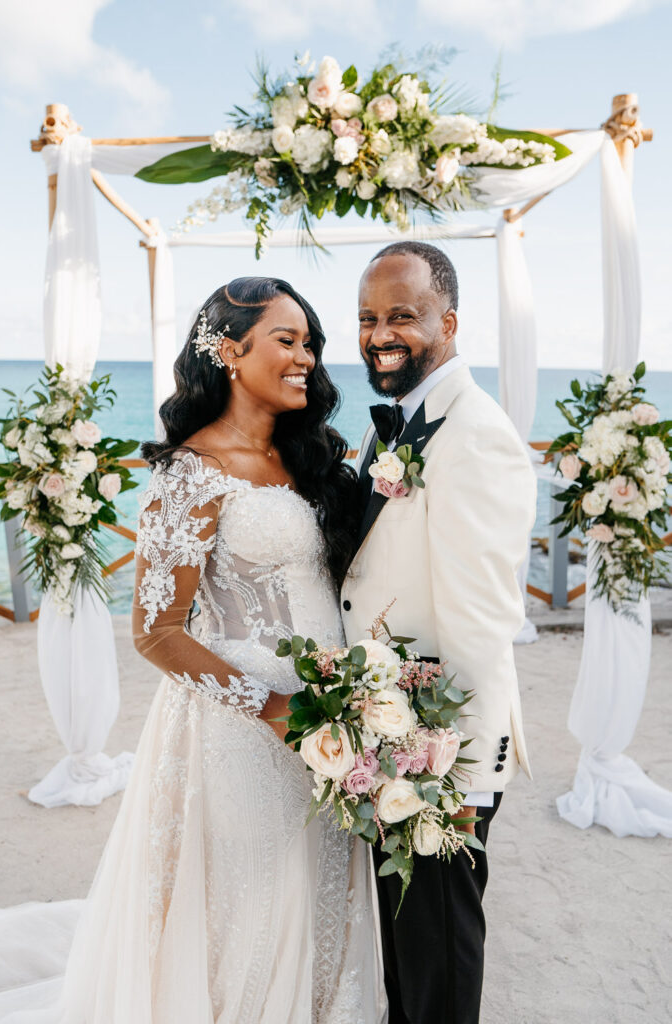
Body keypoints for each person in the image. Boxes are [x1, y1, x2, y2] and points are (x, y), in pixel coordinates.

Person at [0, 277, 385, 1024]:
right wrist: (277, 711)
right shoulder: (191, 472)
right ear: (230, 351)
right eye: (287, 340)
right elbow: (155, 630)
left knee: (321, 888)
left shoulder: (307, 459)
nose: (307, 358)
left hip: (334, 718)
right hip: (242, 729)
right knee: (253, 905)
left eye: (310, 343)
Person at [341, 242, 536, 1024]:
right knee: (406, 952)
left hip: (439, 759)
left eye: (401, 316)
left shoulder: (474, 434)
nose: (379, 333)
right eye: (366, 318)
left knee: (440, 958)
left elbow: (483, 621)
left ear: (447, 322)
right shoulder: (400, 422)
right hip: (388, 737)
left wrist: (455, 779)